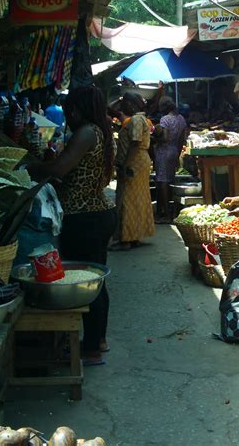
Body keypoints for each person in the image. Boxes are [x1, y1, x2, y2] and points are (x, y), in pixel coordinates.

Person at [27, 86, 117, 366]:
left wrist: (31, 167)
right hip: (96, 213)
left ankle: (90, 348)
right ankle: (97, 341)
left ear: (78, 109)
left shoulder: (87, 132)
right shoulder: (98, 130)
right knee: (95, 280)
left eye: (70, 108)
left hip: (85, 217)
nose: (68, 113)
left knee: (87, 283)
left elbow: (59, 169)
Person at [110, 92, 155, 250]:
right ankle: (133, 235)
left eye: (125, 103)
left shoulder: (136, 120)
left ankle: (126, 240)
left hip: (134, 162)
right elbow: (110, 110)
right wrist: (121, 98)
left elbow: (135, 144)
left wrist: (125, 166)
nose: (123, 106)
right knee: (137, 199)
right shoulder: (141, 119)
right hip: (140, 161)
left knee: (126, 199)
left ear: (131, 105)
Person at [154, 96, 187, 223]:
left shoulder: (164, 119)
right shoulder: (181, 119)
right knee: (170, 182)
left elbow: (165, 138)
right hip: (174, 151)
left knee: (162, 183)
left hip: (163, 152)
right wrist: (178, 154)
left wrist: (155, 138)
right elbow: (181, 140)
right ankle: (170, 211)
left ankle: (166, 214)